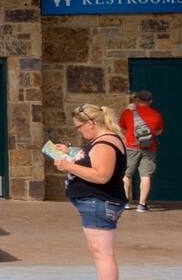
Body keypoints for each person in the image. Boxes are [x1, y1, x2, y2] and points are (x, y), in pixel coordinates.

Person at [54, 104, 128, 280]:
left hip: (99, 201)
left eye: (79, 127)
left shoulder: (105, 143)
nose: (79, 132)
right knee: (98, 250)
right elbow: (90, 158)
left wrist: (68, 166)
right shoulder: (100, 142)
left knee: (102, 253)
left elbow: (102, 175)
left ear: (91, 123)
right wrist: (70, 152)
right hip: (95, 202)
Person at [120, 91, 163, 212]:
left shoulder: (128, 113)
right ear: (150, 101)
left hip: (131, 146)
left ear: (137, 100)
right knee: (145, 176)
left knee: (126, 174)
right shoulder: (156, 115)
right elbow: (159, 131)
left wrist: (130, 135)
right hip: (149, 148)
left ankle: (125, 202)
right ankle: (142, 204)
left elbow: (122, 128)